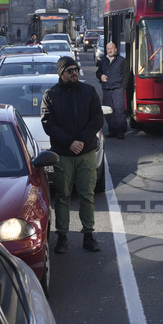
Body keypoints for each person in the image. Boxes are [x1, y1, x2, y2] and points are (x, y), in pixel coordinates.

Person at [41, 56, 105, 254]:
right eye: (70, 70)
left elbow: (97, 119)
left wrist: (82, 141)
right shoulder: (51, 94)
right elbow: (48, 123)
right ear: (61, 73)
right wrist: (69, 142)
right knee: (63, 196)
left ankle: (88, 235)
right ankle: (62, 237)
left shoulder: (89, 91)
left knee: (87, 194)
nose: (74, 73)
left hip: (85, 153)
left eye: (76, 69)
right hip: (63, 154)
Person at [96, 40, 130, 139]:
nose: (110, 50)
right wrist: (101, 76)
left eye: (111, 49)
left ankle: (121, 131)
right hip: (106, 89)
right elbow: (98, 72)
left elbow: (126, 75)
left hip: (117, 89)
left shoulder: (121, 60)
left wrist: (122, 87)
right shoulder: (103, 60)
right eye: (108, 49)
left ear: (115, 50)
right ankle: (112, 130)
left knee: (119, 111)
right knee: (108, 111)